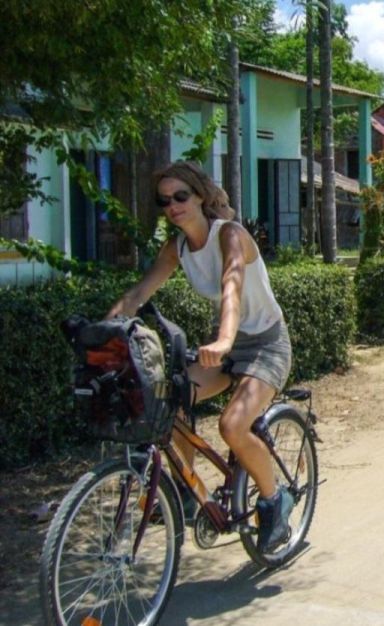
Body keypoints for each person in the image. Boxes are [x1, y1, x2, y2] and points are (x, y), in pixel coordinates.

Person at [107, 161, 294, 554]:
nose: (172, 205)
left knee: (232, 425)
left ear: (200, 196)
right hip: (224, 346)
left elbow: (232, 285)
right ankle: (186, 492)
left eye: (180, 196)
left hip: (265, 343)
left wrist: (226, 338)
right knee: (168, 404)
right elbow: (139, 293)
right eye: (164, 200)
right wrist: (103, 330)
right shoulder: (176, 248)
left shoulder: (229, 235)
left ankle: (274, 501)